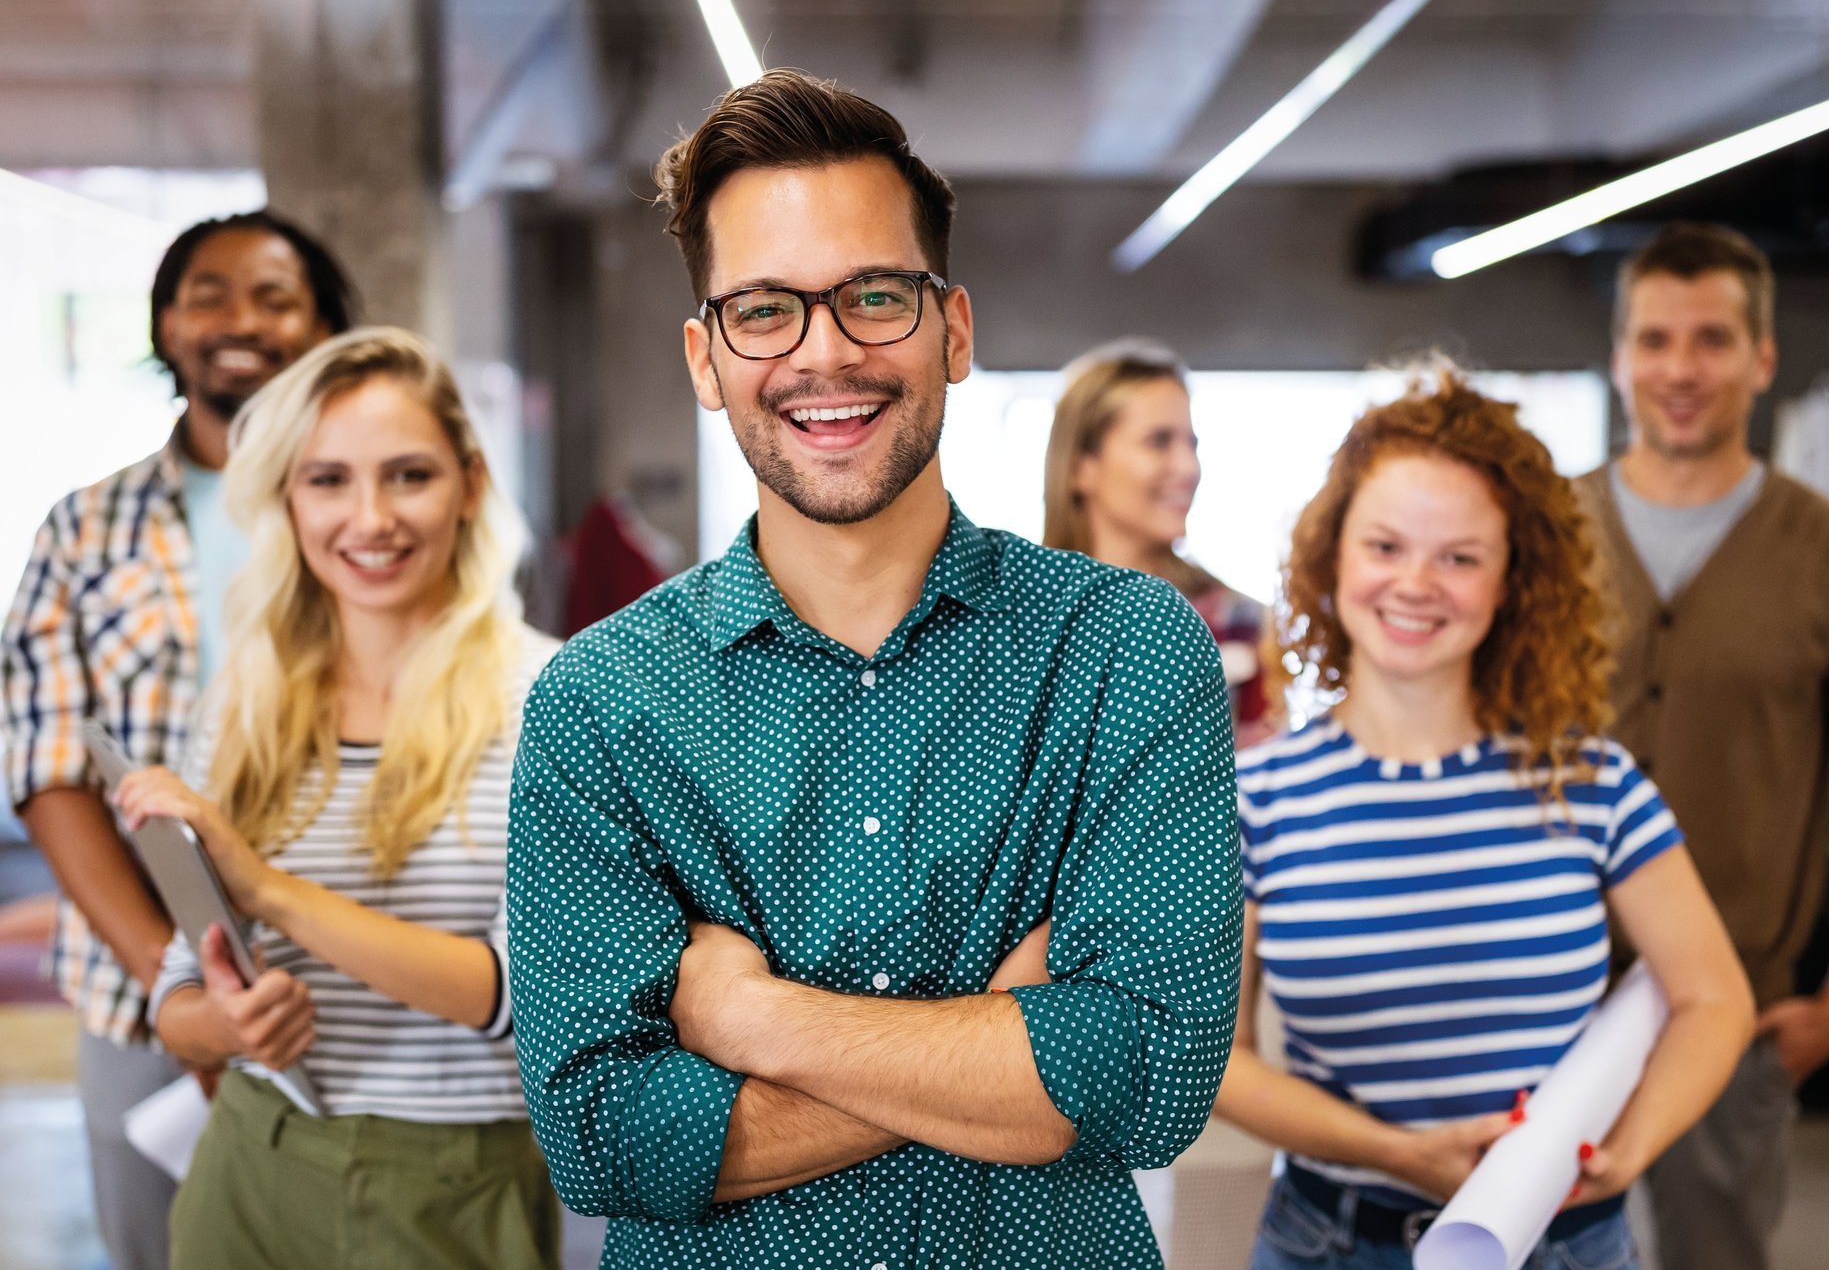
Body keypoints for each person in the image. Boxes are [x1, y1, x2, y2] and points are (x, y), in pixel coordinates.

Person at [508, 69, 1242, 1270]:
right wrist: (1003, 1045)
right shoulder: (598, 704)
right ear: (705, 359)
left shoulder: (1128, 647)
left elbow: (1149, 1077)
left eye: (875, 296)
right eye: (764, 310)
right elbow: (603, 1138)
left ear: (953, 328)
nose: (826, 352)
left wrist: (755, 1019)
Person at [1220, 366, 1753, 1270]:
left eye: (1460, 557)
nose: (1416, 584)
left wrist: (1627, 1150)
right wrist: (1397, 1154)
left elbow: (1714, 1000)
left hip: (1564, 1238)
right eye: (1385, 546)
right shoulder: (1254, 801)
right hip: (1334, 1241)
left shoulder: (1592, 782)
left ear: (1514, 582)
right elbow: (1215, 1059)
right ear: (1332, 556)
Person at [110, 327, 561, 1270]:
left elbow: (518, 997)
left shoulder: (550, 698)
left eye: (409, 475)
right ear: (285, 496)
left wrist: (270, 891)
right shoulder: (247, 697)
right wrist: (223, 1025)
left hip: (456, 1187)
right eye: (327, 480)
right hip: (250, 1165)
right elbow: (177, 987)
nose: (371, 519)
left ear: (470, 484)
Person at [0, 210, 352, 1270]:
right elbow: (50, 768)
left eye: (274, 295)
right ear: (165, 323)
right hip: (133, 981)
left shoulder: (368, 510)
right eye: (207, 293)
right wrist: (174, 980)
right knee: (161, 1249)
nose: (238, 319)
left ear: (326, 325)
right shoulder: (83, 528)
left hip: (346, 974)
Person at [1575, 221, 1829, 1270]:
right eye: (1657, 339)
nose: (1682, 369)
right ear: (1621, 355)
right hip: (1541, 996)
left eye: (1713, 339)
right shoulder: (1542, 533)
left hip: (1733, 1005)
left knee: (1710, 1255)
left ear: (1763, 357)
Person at [1043, 339, 1282, 744]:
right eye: (1159, 441)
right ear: (1081, 466)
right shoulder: (1019, 624)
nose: (1188, 468)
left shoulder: (1241, 625)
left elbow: (1263, 782)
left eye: (1192, 445)